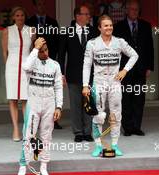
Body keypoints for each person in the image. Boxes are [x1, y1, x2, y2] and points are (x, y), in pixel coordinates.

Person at [82, 15, 138, 157]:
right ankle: (98, 146)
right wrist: (85, 85)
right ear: (99, 27)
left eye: (111, 25)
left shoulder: (119, 42)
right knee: (98, 115)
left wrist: (125, 70)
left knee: (115, 114)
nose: (109, 28)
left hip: (114, 82)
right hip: (98, 82)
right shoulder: (92, 43)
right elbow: (87, 65)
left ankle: (114, 144)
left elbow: (134, 55)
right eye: (106, 25)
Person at [17, 37, 63, 175]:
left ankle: (44, 166)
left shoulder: (55, 65)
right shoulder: (31, 63)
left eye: (46, 50)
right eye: (42, 51)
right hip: (34, 103)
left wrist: (59, 107)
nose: (45, 53)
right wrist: (35, 49)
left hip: (49, 104)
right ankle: (23, 165)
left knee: (46, 136)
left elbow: (58, 87)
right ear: (36, 51)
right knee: (29, 135)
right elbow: (25, 67)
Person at [113, 0, 154, 136]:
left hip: (141, 68)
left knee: (139, 98)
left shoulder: (146, 26)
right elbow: (116, 49)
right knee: (126, 98)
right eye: (132, 9)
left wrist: (149, 66)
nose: (134, 12)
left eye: (136, 9)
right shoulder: (118, 27)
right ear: (126, 10)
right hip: (125, 69)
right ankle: (128, 127)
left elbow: (150, 48)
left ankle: (137, 126)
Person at [58, 5, 97, 142]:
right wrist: (61, 74)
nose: (88, 16)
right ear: (77, 16)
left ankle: (88, 131)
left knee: (88, 103)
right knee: (75, 104)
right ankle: (78, 132)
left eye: (88, 14)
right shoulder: (67, 32)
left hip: (91, 74)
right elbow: (61, 55)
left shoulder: (93, 31)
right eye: (85, 14)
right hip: (73, 74)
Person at [26, 0, 62, 129]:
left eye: (43, 4)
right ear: (35, 6)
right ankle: (35, 120)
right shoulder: (29, 22)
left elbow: (57, 42)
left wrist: (55, 58)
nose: (41, 6)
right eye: (39, 4)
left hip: (50, 59)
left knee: (51, 87)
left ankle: (53, 118)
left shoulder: (53, 22)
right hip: (35, 60)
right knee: (37, 87)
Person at [1, 6, 35, 141]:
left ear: (24, 17)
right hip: (12, 66)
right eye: (17, 15)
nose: (20, 17)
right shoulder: (6, 31)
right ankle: (15, 128)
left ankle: (26, 128)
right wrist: (7, 66)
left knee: (26, 98)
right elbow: (5, 52)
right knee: (13, 99)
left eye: (22, 15)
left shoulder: (31, 30)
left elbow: (34, 50)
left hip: (27, 65)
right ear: (13, 17)